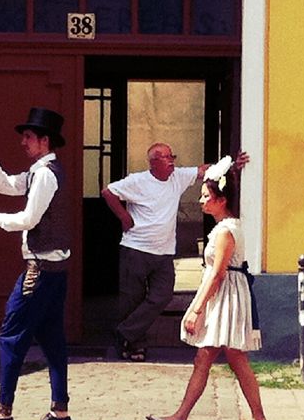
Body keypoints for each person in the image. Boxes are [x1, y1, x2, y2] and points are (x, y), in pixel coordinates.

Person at [0, 107, 73, 420]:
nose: (23, 142)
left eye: (28, 137)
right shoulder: (41, 172)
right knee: (53, 341)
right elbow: (7, 185)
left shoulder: (46, 174)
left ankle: (3, 411)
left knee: (11, 336)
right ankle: (60, 412)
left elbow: (28, 219)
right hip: (55, 269)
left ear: (44, 140)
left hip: (40, 269)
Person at [147, 157, 269, 420]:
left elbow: (217, 274)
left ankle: (184, 416)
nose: (201, 201)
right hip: (226, 295)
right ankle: (255, 418)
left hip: (227, 297)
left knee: (216, 355)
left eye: (206, 196)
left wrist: (196, 309)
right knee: (222, 356)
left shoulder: (226, 231)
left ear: (221, 200)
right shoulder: (224, 228)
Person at [101, 146, 249, 362]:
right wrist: (124, 217)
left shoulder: (177, 177)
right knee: (133, 300)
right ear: (153, 161)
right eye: (166, 157)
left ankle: (124, 333)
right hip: (136, 249)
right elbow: (108, 192)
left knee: (162, 296)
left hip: (164, 252)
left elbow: (205, 171)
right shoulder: (138, 181)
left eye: (172, 156)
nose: (172, 161)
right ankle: (133, 345)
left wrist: (232, 165)